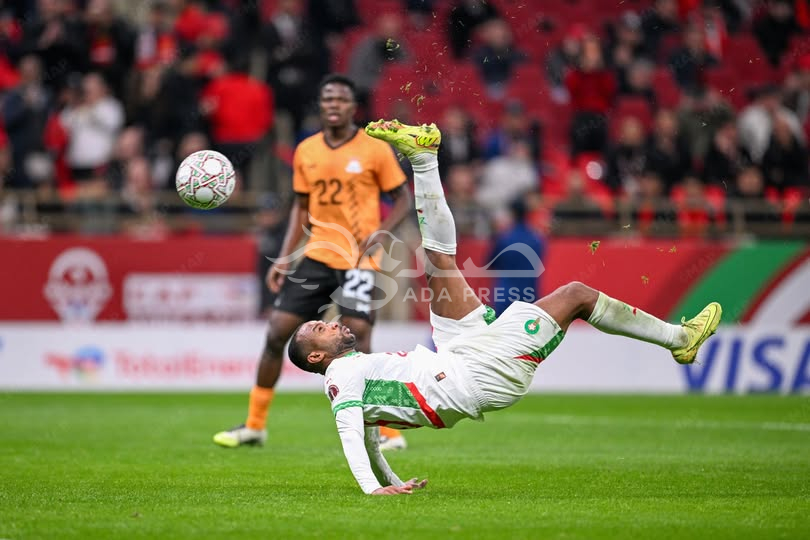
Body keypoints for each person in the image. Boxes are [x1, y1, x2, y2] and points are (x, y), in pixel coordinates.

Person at [286, 119, 722, 495]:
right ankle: (679, 338)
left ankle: (424, 158)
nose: (331, 324)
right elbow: (350, 435)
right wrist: (372, 488)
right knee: (576, 294)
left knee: (437, 261)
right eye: (320, 330)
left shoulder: (351, 375)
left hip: (455, 355)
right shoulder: (341, 377)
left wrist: (392, 481)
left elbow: (369, 443)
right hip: (478, 376)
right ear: (318, 357)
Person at [213, 75, 412, 451]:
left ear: (353, 107)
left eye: (341, 99)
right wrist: (285, 256)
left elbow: (403, 198)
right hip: (317, 255)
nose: (334, 104)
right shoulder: (306, 150)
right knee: (277, 332)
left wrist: (383, 231)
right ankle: (254, 426)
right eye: (328, 99)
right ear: (321, 106)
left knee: (358, 337)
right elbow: (300, 208)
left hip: (358, 258)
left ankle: (386, 431)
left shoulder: (374, 149)